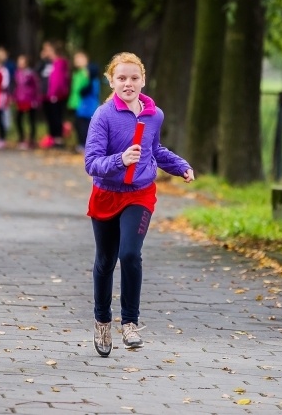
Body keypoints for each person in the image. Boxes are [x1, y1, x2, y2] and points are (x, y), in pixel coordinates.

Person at [84, 52, 195, 357]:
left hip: (140, 193)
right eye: (121, 78)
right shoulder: (103, 116)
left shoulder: (154, 114)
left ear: (143, 80)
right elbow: (91, 163)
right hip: (107, 194)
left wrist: (180, 166)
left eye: (134, 78)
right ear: (111, 81)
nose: (128, 83)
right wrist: (120, 160)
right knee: (105, 261)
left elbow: (154, 149)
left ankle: (130, 323)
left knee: (130, 254)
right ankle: (102, 321)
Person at [67, 51, 100, 152]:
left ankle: (85, 145)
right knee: (79, 125)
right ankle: (81, 144)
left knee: (84, 126)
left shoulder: (91, 80)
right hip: (81, 106)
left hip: (87, 108)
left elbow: (84, 91)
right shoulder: (77, 74)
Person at [41, 40, 69, 148]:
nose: (45, 51)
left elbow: (58, 80)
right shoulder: (47, 63)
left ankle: (58, 139)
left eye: (47, 49)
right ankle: (52, 138)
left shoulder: (60, 62)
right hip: (46, 96)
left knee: (56, 116)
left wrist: (55, 93)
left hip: (56, 95)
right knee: (50, 117)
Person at [13, 54, 39, 150]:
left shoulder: (31, 74)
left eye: (22, 61)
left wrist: (36, 99)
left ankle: (32, 140)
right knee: (18, 119)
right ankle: (21, 138)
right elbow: (16, 86)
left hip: (30, 100)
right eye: (19, 61)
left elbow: (36, 87)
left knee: (31, 120)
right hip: (20, 100)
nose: (20, 63)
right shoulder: (17, 73)